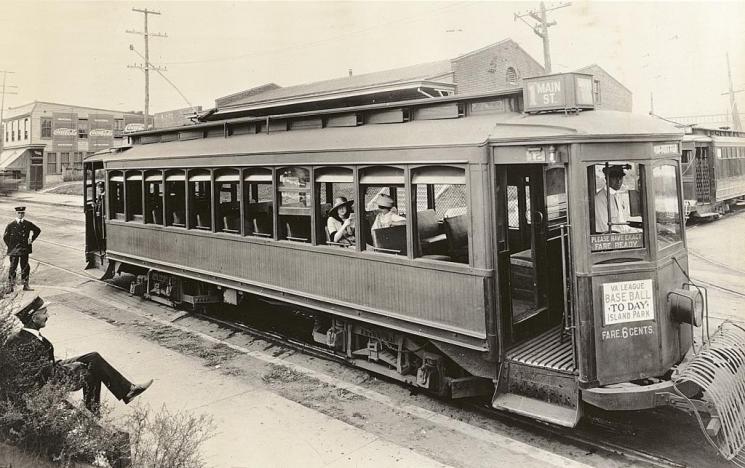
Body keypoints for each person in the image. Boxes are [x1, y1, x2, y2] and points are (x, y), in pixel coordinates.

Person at [3, 295, 153, 415]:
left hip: (48, 370)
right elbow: (47, 376)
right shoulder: (32, 344)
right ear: (34, 317)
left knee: (93, 357)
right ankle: (95, 412)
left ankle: (127, 390)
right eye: (44, 313)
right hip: (47, 381)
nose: (48, 316)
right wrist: (74, 367)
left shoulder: (16, 338)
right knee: (91, 372)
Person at [3, 206, 41, 291]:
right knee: (13, 267)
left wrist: (31, 239)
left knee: (25, 267)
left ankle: (25, 285)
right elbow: (5, 237)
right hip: (14, 251)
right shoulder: (11, 225)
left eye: (22, 213)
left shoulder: (27, 224)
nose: (20, 214)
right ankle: (11, 286)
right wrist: (11, 247)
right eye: (19, 213)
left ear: (24, 213)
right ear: (16, 213)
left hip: (24, 249)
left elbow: (37, 230)